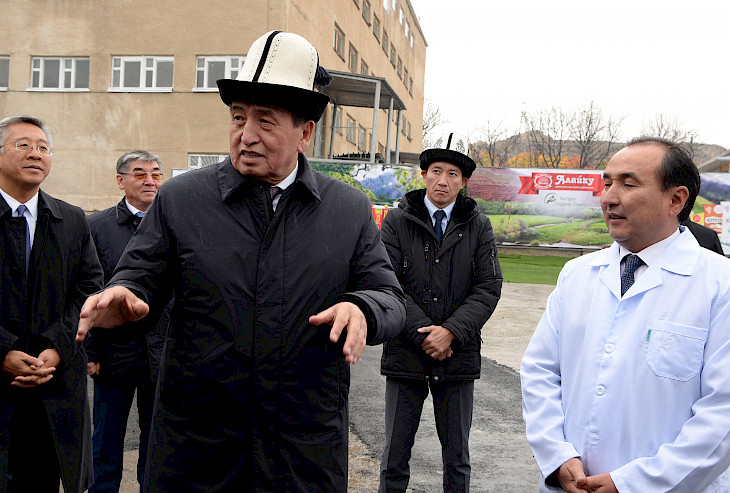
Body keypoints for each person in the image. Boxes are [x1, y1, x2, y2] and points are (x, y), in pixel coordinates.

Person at [75, 31, 405, 492]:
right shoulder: (182, 198)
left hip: (302, 453)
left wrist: (363, 307)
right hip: (197, 454)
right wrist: (124, 295)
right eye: (237, 117)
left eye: (265, 121)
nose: (246, 136)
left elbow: (390, 296)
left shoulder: (347, 209)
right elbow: (140, 274)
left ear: (305, 132)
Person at [521, 137, 730, 492]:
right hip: (573, 482)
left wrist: (634, 483)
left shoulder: (719, 285)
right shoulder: (577, 274)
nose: (609, 198)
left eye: (628, 184)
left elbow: (722, 413)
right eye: (607, 183)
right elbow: (540, 371)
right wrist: (557, 456)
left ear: (676, 200)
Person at [379, 135, 502, 492]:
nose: (442, 181)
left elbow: (488, 287)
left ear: (464, 182)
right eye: (435, 171)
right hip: (406, 353)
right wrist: (424, 333)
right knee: (394, 457)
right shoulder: (397, 221)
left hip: (457, 356)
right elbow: (387, 282)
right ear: (423, 175)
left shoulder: (479, 225)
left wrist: (450, 332)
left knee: (457, 459)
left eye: (452, 174)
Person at [0, 115, 103, 492]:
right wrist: (3, 351)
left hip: (53, 386)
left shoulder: (71, 220)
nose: (36, 154)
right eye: (23, 145)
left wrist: (56, 349)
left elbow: (89, 289)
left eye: (44, 147)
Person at [87, 150, 169, 493]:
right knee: (106, 439)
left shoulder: (174, 225)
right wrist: (90, 351)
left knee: (156, 441)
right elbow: (87, 290)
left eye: (156, 174)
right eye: (139, 174)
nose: (150, 181)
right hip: (113, 354)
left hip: (162, 354)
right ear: (120, 181)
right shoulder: (97, 227)